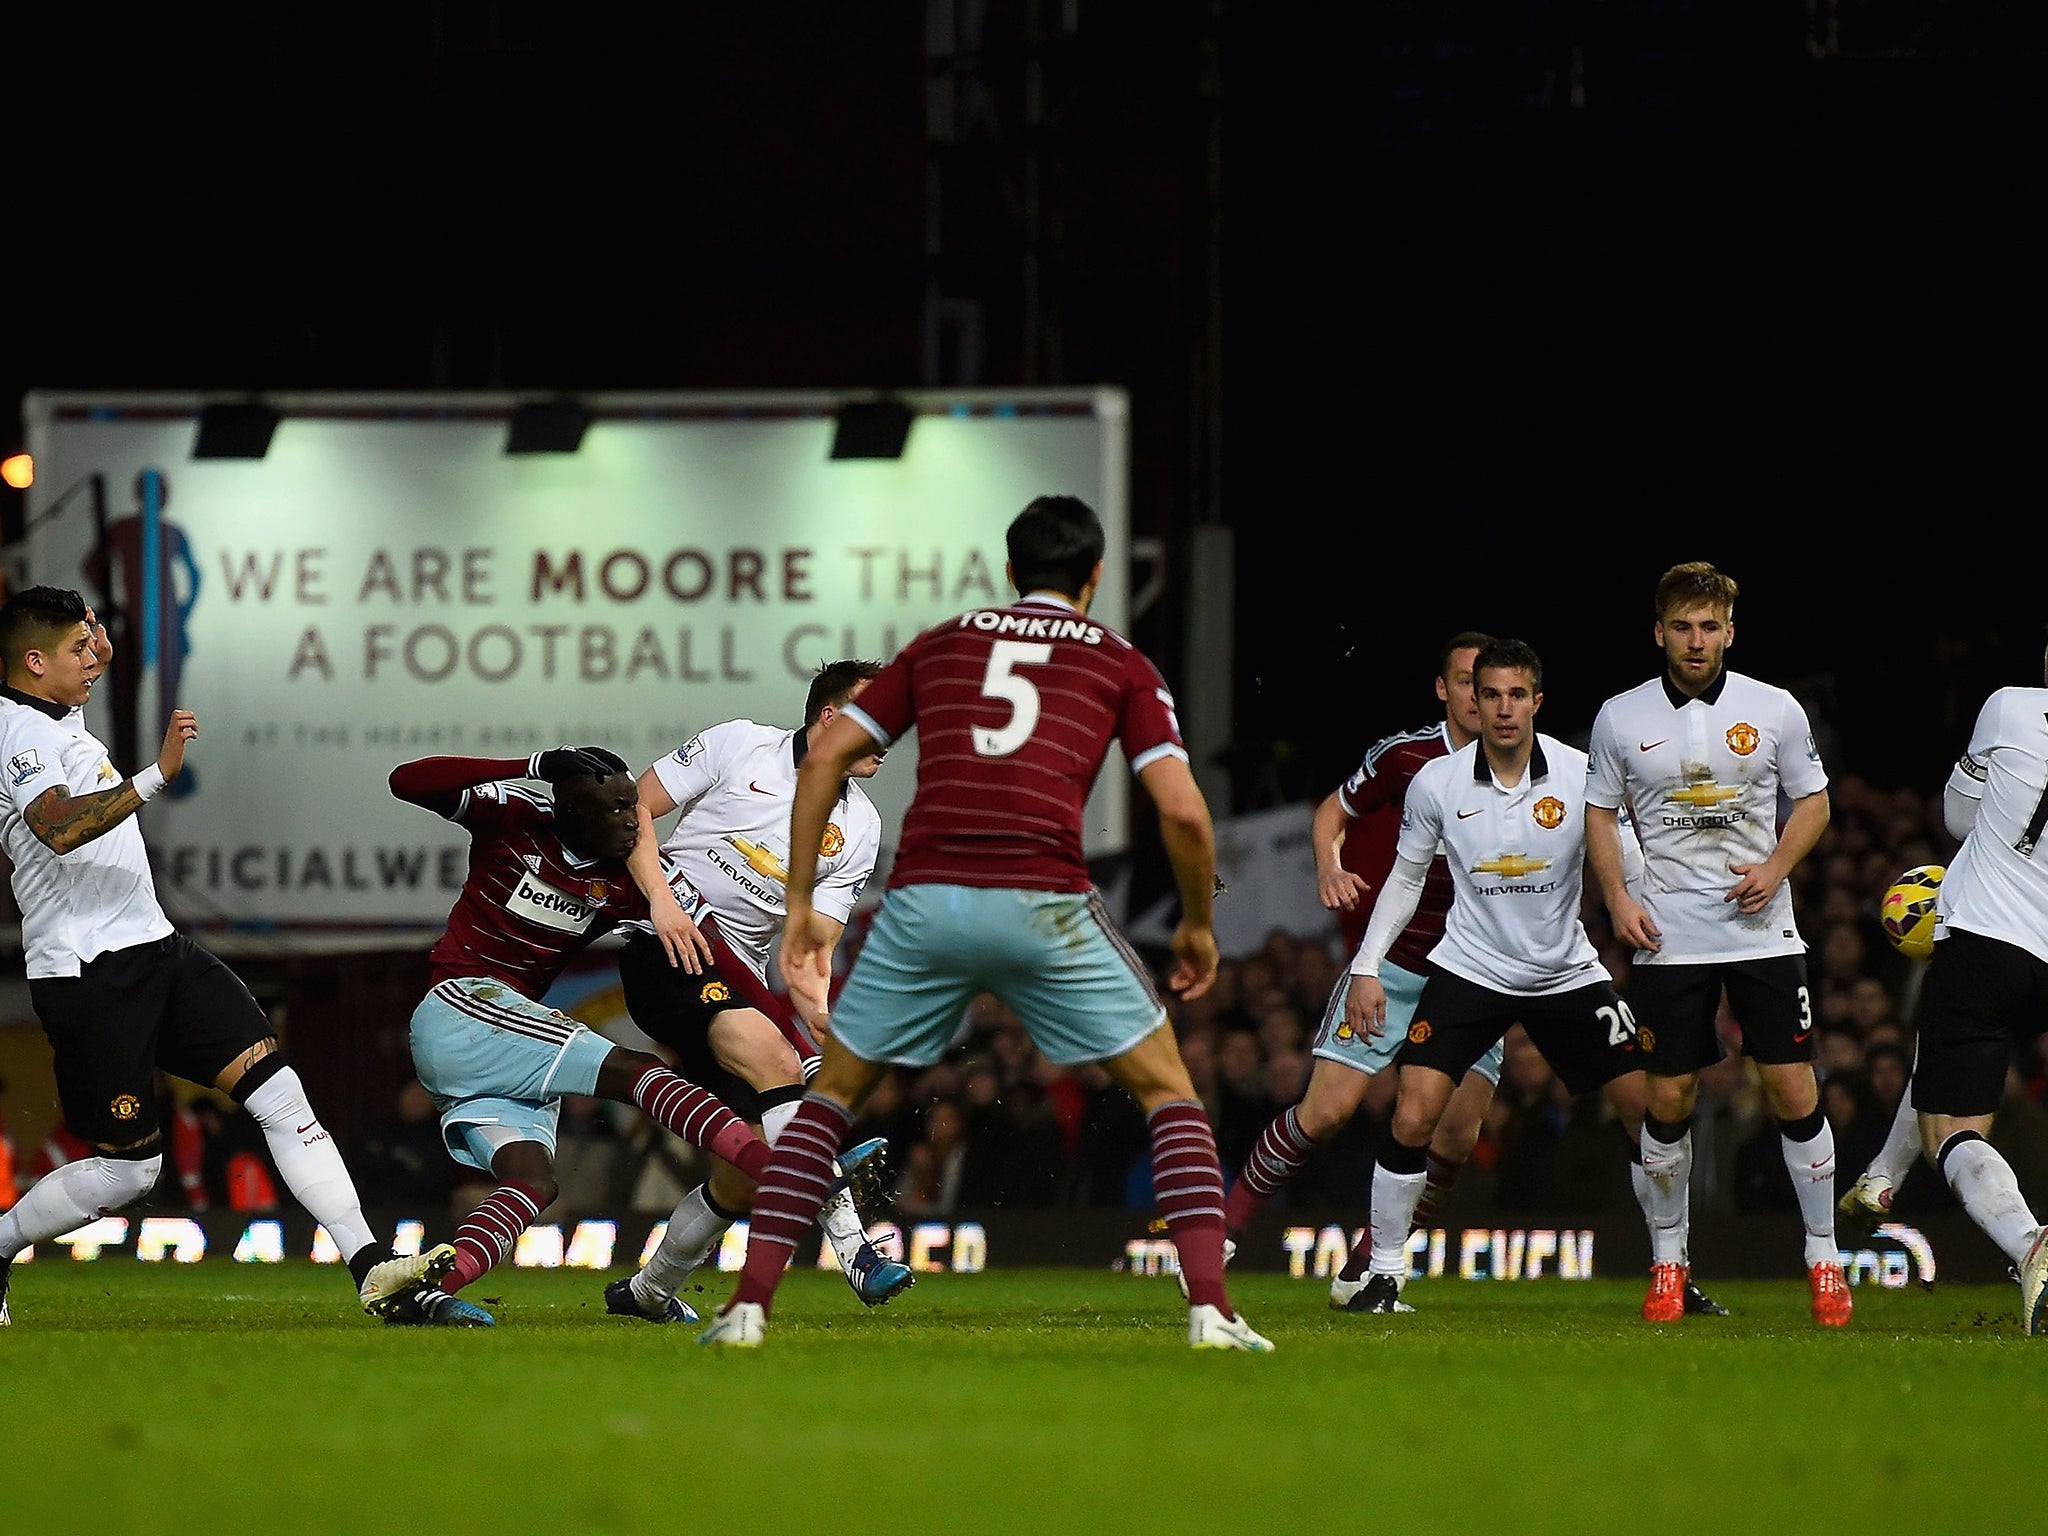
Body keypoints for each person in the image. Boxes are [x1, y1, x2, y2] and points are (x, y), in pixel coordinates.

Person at [703, 493, 1272, 1350]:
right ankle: (1212, 1314)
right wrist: (1196, 923)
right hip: (1044, 901)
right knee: (1168, 1091)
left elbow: (822, 757)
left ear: (1009, 573)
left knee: (828, 1101)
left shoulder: (941, 642)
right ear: (1095, 575)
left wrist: (799, 910)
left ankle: (747, 1310)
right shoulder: (1122, 663)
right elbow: (1186, 816)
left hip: (926, 904)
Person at [0, 584, 439, 1327]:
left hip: (156, 948)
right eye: (76, 650)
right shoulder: (16, 733)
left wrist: (93, 636)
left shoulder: (54, 707)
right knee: (131, 1169)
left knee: (279, 1092)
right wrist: (156, 775)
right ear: (34, 661)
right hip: (87, 973)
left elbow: (82, 661)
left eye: (92, 643)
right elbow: (59, 828)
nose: (93, 657)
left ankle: (370, 1267)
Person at [386, 743, 871, 1326]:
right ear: (569, 811)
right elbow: (406, 781)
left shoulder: (631, 882)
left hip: (502, 1046)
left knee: (533, 1182)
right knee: (639, 1073)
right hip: (459, 1005)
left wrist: (795, 1037)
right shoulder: (513, 815)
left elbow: (718, 951)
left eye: (632, 808)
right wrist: (535, 764)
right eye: (616, 810)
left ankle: (427, 1292)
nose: (633, 822)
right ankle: (781, 1171)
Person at [1340, 639, 1686, 1314]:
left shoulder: (1582, 774)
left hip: (1564, 970)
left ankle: (1673, 1269)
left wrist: (1655, 940)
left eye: (1515, 695)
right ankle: (1383, 1274)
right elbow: (1406, 878)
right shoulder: (1436, 782)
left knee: (1651, 1113)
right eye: (1489, 693)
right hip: (1470, 968)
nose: (1501, 708)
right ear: (1473, 699)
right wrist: (1365, 966)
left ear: (1537, 702)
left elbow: (1631, 862)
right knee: (1413, 1114)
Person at [1584, 561, 1851, 1327]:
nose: (1696, 642)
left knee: (1791, 1088)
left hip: (1763, 928)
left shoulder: (1773, 708)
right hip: (1670, 934)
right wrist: (1616, 898)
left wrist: (1776, 866)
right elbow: (1601, 813)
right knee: (1667, 1098)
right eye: (1683, 627)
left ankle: (1824, 1259)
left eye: (1710, 628)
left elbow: (1815, 800)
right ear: (1659, 632)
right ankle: (1669, 1264)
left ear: (1730, 632)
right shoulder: (1619, 716)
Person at [605, 660, 912, 1321]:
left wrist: (828, 1023)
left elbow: (806, 958)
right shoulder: (739, 743)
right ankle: (858, 1253)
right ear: (830, 718)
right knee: (781, 1069)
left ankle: (647, 1293)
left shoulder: (859, 828)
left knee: (745, 1175)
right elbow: (631, 807)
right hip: (665, 952)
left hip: (738, 982)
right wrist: (661, 899)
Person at [1219, 634, 1517, 1303]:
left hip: (1475, 976)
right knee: (1325, 1112)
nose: (1480, 695)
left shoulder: (1530, 767)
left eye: (1491, 682)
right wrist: (1329, 862)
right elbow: (1333, 810)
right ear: (1443, 689)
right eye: (1467, 681)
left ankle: (1366, 1263)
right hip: (1398, 965)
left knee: (1456, 1136)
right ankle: (1226, 1226)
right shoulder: (1406, 756)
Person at [1881, 644, 2048, 1330]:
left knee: (1948, 1128)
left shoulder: (2010, 708)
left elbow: (1956, 818)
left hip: (1983, 943)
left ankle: (2030, 1243)